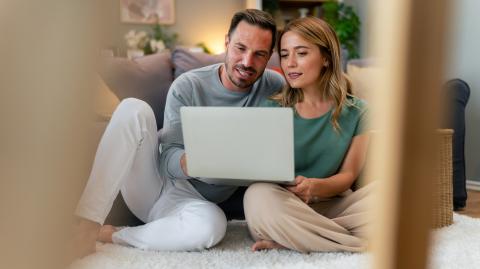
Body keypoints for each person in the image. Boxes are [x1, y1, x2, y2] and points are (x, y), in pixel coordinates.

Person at [73, 9, 284, 257]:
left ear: (270, 56)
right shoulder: (189, 85)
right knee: (133, 108)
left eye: (259, 54)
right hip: (154, 185)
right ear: (227, 43)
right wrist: (192, 162)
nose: (247, 62)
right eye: (240, 48)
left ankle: (114, 235)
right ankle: (87, 228)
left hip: (194, 205)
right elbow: (168, 155)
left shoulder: (275, 87)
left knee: (213, 228)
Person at [243, 17, 374, 252]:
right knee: (256, 195)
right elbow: (261, 173)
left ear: (326, 58)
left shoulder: (357, 111)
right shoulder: (271, 109)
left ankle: (295, 239)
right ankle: (355, 244)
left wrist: (314, 187)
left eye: (301, 53)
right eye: (284, 55)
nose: (290, 63)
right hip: (284, 205)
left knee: (396, 192)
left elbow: (348, 175)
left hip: (334, 203)